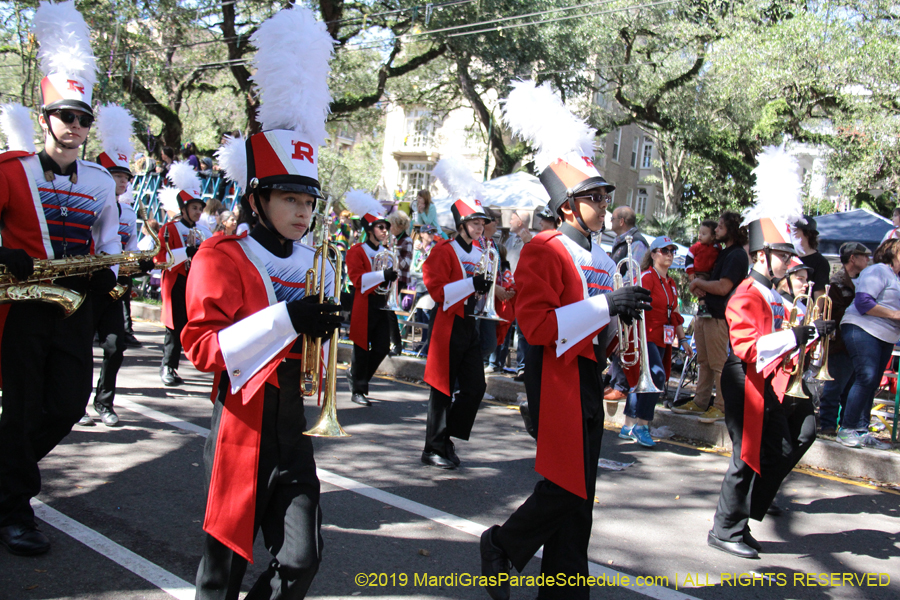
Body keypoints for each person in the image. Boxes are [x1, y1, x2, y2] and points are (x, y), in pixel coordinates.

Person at [183, 6, 342, 598]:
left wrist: (323, 323)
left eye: (309, 200)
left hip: (293, 428)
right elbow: (202, 348)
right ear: (257, 198)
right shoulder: (221, 256)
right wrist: (287, 319)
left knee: (302, 559)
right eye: (290, 198)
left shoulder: (313, 262)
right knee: (220, 573)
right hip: (240, 424)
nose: (303, 211)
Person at [479, 80, 652, 600]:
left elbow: (600, 322)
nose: (603, 204)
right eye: (594, 197)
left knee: (582, 493)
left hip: (587, 374)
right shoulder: (543, 249)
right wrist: (607, 305)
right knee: (565, 484)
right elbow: (536, 325)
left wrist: (621, 328)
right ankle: (502, 545)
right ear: (569, 205)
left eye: (604, 196)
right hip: (552, 374)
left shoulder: (603, 258)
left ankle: (564, 589)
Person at [0, 2, 120, 556]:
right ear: (43, 116)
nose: (75, 128)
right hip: (22, 305)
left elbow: (112, 240)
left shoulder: (100, 182)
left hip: (73, 302)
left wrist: (111, 280)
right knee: (22, 405)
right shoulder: (12, 171)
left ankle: (6, 475)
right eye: (65, 116)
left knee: (69, 404)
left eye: (83, 118)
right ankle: (14, 507)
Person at [708, 147, 835, 560]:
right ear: (761, 254)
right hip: (744, 374)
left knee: (791, 441)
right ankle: (725, 528)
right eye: (781, 255)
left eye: (787, 255)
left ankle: (742, 520)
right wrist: (801, 333)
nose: (787, 262)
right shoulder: (748, 290)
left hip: (767, 378)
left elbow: (781, 339)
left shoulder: (774, 293)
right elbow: (748, 346)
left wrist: (809, 337)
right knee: (747, 456)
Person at [79, 104, 154, 428]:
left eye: (125, 177)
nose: (122, 182)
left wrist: (141, 263)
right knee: (79, 349)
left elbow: (132, 247)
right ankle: (76, 403)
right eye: (117, 176)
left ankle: (104, 402)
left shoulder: (128, 214)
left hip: (113, 288)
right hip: (83, 287)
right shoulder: (84, 204)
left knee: (114, 346)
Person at [421, 156, 494, 470]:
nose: (480, 227)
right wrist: (471, 284)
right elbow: (438, 292)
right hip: (448, 323)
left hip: (471, 324)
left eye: (482, 223)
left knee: (476, 386)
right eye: (475, 222)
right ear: (461, 223)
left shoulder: (482, 253)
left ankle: (447, 436)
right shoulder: (443, 250)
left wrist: (497, 287)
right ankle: (433, 447)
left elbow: (482, 287)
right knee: (442, 388)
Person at [677, 211, 750, 422]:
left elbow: (723, 286)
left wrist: (698, 284)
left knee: (719, 364)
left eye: (720, 226)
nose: (716, 230)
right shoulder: (724, 252)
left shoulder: (737, 255)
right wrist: (698, 285)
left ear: (731, 230)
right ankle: (701, 402)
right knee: (704, 362)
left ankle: (721, 405)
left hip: (719, 316)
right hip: (706, 314)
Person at [619, 237, 691, 447]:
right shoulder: (647, 277)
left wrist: (683, 339)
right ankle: (642, 425)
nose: (669, 254)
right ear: (653, 254)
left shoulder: (671, 282)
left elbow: (675, 313)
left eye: (672, 251)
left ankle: (628, 425)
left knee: (643, 381)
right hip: (645, 337)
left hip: (662, 338)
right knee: (656, 376)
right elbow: (632, 306)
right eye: (664, 250)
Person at [836, 238, 900, 449]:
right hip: (862, 328)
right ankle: (846, 429)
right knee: (867, 376)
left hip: (886, 335)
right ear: (894, 253)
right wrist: (895, 314)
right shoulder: (879, 271)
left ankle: (861, 431)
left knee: (870, 382)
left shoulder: (897, 278)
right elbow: (863, 302)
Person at [154, 162, 213, 386]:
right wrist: (184, 252)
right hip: (178, 280)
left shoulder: (205, 231)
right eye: (194, 208)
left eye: (200, 209)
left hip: (196, 283)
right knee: (175, 325)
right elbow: (161, 259)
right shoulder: (169, 229)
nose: (198, 212)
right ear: (184, 208)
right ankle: (168, 366)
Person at [344, 190, 396, 406]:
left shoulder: (386, 251)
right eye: (380, 227)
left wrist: (390, 278)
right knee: (362, 347)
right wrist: (382, 275)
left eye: (386, 227)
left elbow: (388, 281)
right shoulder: (356, 251)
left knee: (383, 347)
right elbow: (357, 280)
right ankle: (359, 389)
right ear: (369, 229)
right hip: (364, 304)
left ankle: (357, 375)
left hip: (381, 304)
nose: (385, 231)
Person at [818, 242, 871, 435]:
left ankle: (848, 428)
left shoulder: (863, 280)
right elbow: (834, 315)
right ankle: (828, 426)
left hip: (858, 346)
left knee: (851, 391)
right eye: (864, 256)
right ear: (852, 258)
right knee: (834, 388)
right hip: (840, 345)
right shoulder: (836, 284)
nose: (867, 259)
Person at [603, 205, 651, 403]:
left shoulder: (636, 243)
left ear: (622, 221)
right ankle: (614, 381)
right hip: (618, 297)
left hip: (627, 299)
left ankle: (621, 385)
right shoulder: (621, 242)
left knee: (625, 341)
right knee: (616, 342)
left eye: (613, 218)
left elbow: (633, 273)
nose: (610, 222)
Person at [505, 209, 534, 381]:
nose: (509, 221)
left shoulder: (530, 240)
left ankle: (523, 367)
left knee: (522, 331)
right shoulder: (509, 240)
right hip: (509, 288)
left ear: (521, 222)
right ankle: (499, 363)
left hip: (523, 290)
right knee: (506, 325)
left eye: (512, 218)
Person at [387, 209, 413, 356]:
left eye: (392, 225)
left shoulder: (407, 240)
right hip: (390, 278)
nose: (390, 228)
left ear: (398, 226)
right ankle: (392, 343)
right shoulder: (395, 239)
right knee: (386, 312)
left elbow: (405, 263)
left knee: (390, 312)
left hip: (400, 279)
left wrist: (393, 253)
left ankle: (397, 344)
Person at [686, 220, 721, 318]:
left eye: (704, 234)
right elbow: (688, 259)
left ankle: (707, 306)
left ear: (713, 236)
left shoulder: (717, 247)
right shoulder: (696, 247)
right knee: (701, 288)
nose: (700, 236)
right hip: (699, 272)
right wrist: (690, 272)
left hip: (712, 273)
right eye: (699, 233)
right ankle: (702, 307)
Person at [793, 216, 831, 300]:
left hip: (805, 311)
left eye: (795, 231)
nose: (791, 234)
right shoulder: (788, 257)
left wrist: (814, 312)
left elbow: (819, 296)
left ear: (807, 234)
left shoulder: (820, 262)